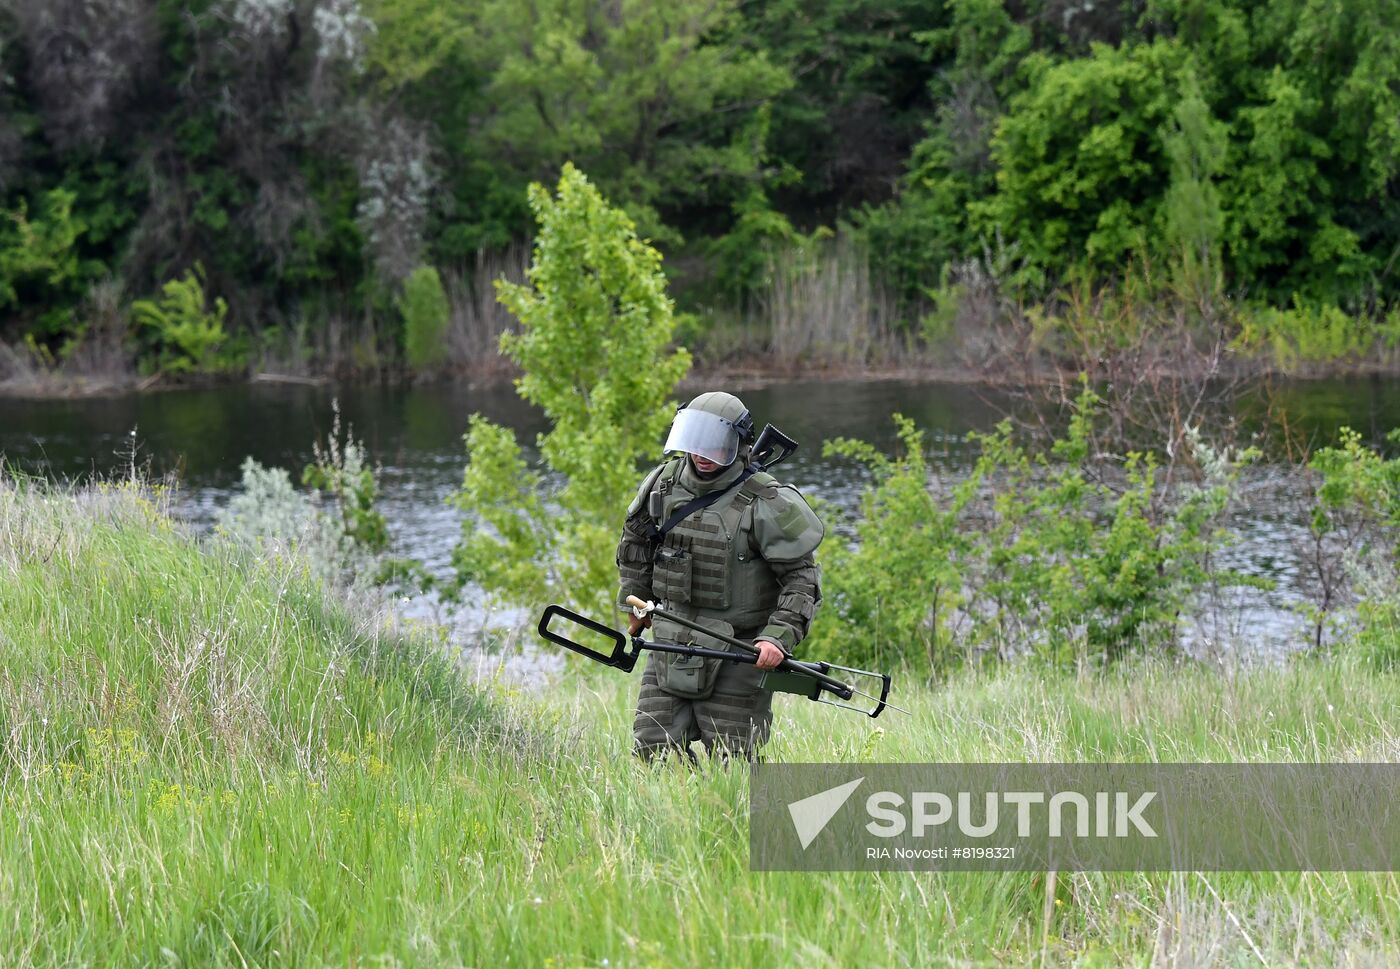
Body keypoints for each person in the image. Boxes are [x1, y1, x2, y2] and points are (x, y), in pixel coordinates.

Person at [616, 391, 824, 762]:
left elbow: (802, 579)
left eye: (714, 444)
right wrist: (636, 598)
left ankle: (729, 818)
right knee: (651, 750)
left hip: (738, 651)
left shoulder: (767, 501)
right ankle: (675, 818)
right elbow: (635, 540)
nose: (702, 453)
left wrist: (777, 638)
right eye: (695, 441)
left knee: (734, 763)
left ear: (738, 444)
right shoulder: (663, 483)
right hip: (671, 639)